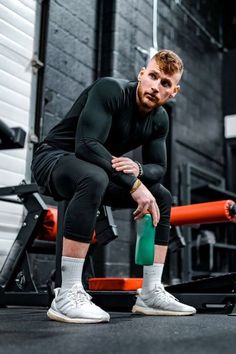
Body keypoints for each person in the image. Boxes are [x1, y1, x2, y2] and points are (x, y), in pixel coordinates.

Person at [31, 49, 196, 323]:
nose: (156, 86)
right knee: (94, 177)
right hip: (54, 158)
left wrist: (139, 170)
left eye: (165, 83)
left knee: (161, 196)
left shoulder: (160, 119)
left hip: (99, 170)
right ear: (142, 74)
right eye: (153, 76)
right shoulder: (110, 90)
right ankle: (67, 294)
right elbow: (86, 145)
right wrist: (134, 184)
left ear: (174, 91)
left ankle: (152, 292)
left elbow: (159, 168)